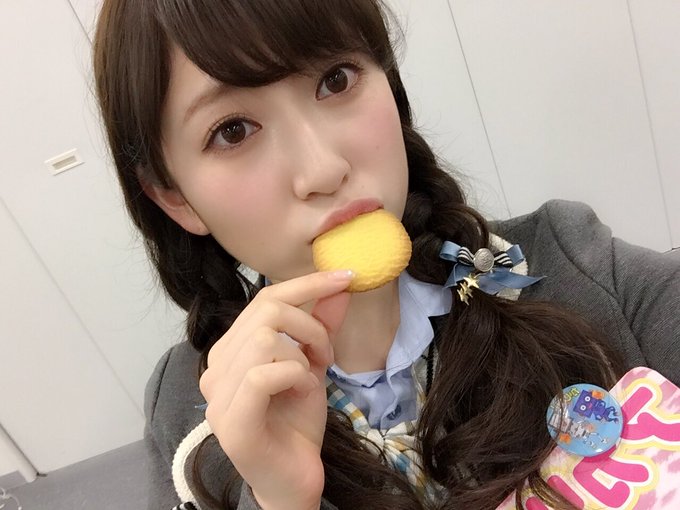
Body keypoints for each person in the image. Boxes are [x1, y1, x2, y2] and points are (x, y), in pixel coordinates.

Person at [92, 1, 680, 509]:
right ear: (174, 196)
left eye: (336, 79)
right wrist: (279, 499)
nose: (324, 169)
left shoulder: (571, 264)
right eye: (234, 131)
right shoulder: (187, 409)